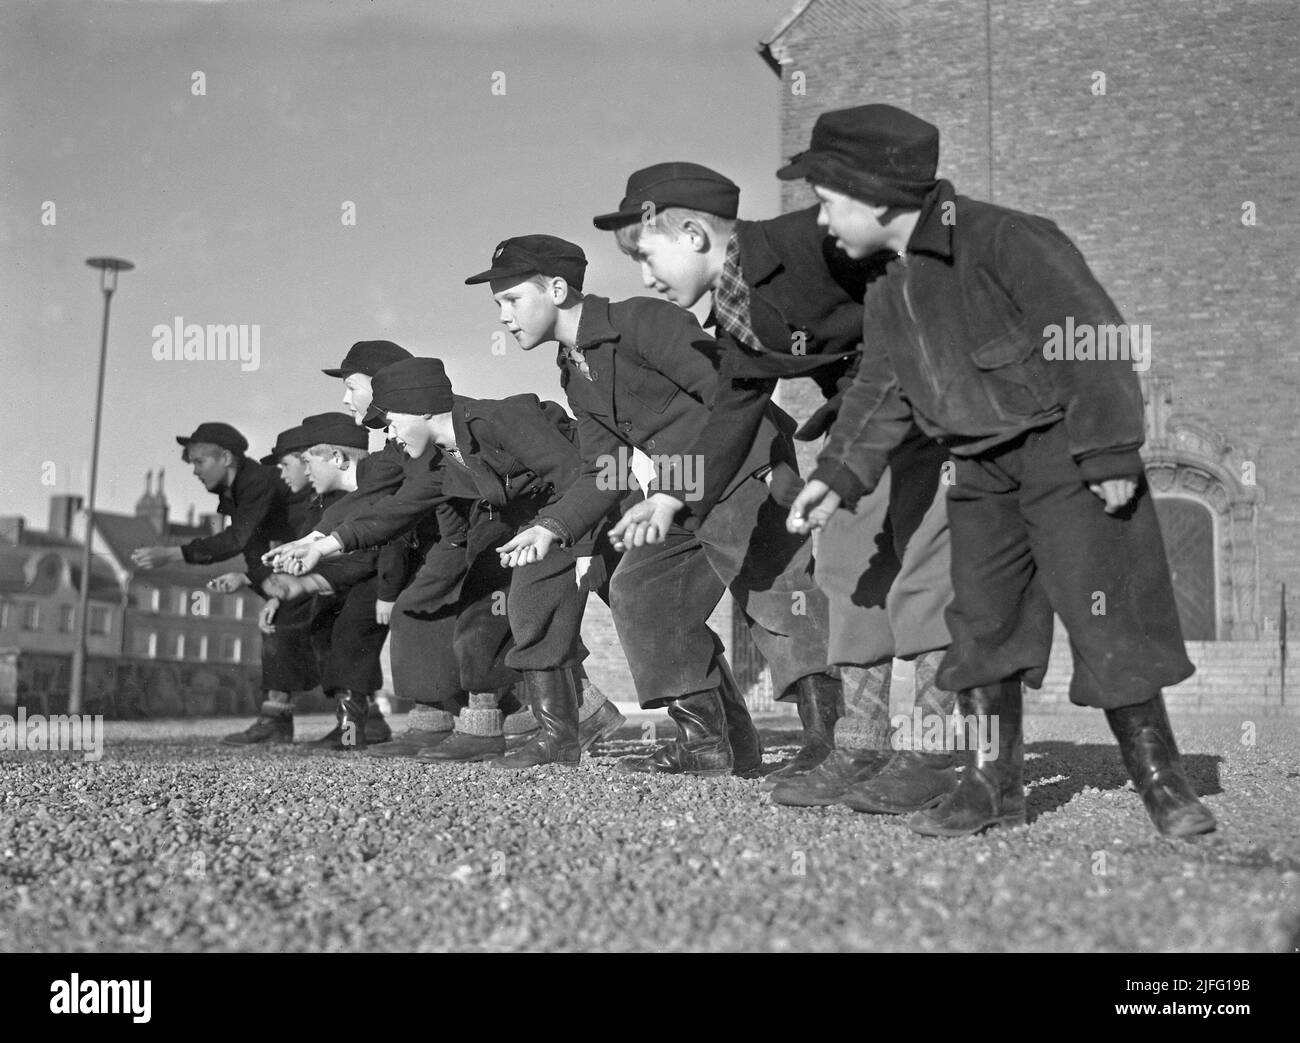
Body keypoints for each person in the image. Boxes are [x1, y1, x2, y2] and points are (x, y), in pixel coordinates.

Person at [784, 103, 1216, 838]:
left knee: (1104, 612)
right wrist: (835, 475)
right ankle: (992, 785)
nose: (822, 221)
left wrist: (1109, 450)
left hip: (1063, 456)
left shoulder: (1006, 239)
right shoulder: (890, 289)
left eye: (827, 202)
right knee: (982, 626)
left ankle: (1163, 782)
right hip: (978, 470)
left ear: (872, 191)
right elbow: (880, 394)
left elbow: (1092, 335)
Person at [595, 162, 959, 811]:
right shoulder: (736, 316)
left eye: (648, 256)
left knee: (930, 580)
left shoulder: (805, 245)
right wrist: (674, 495)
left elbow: (910, 275)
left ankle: (933, 754)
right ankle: (861, 745)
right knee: (849, 568)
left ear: (694, 235)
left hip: (936, 409)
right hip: (862, 428)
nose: (645, 277)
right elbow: (734, 410)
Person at [467, 235, 828, 778]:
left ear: (558, 289)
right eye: (500, 306)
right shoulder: (574, 371)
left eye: (512, 300)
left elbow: (731, 396)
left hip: (746, 468)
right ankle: (711, 744)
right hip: (679, 489)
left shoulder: (643, 322)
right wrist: (553, 527)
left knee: (776, 598)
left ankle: (831, 745)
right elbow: (603, 472)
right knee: (641, 589)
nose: (504, 318)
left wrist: (733, 478)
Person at [268, 359, 625, 764]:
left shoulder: (500, 418)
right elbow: (397, 509)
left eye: (392, 422)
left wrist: (585, 550)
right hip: (541, 532)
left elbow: (577, 475)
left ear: (421, 410)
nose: (391, 435)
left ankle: (683, 731)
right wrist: (323, 546)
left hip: (601, 515)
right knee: (511, 613)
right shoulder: (446, 459)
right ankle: (564, 734)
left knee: (647, 609)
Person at [131, 422, 299, 737]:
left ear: (225, 457)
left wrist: (173, 554)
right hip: (295, 565)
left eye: (199, 462)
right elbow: (252, 547)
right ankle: (280, 720)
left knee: (304, 631)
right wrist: (265, 587)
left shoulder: (257, 483)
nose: (195, 471)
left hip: (321, 556)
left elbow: (238, 538)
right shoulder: (237, 491)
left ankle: (349, 722)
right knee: (282, 626)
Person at [215, 422, 322, 745]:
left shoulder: (321, 503)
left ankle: (279, 717)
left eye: (285, 465)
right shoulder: (287, 504)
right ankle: (278, 717)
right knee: (281, 616)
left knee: (287, 622)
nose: (281, 474)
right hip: (309, 585)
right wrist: (267, 589)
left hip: (341, 582)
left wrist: (270, 587)